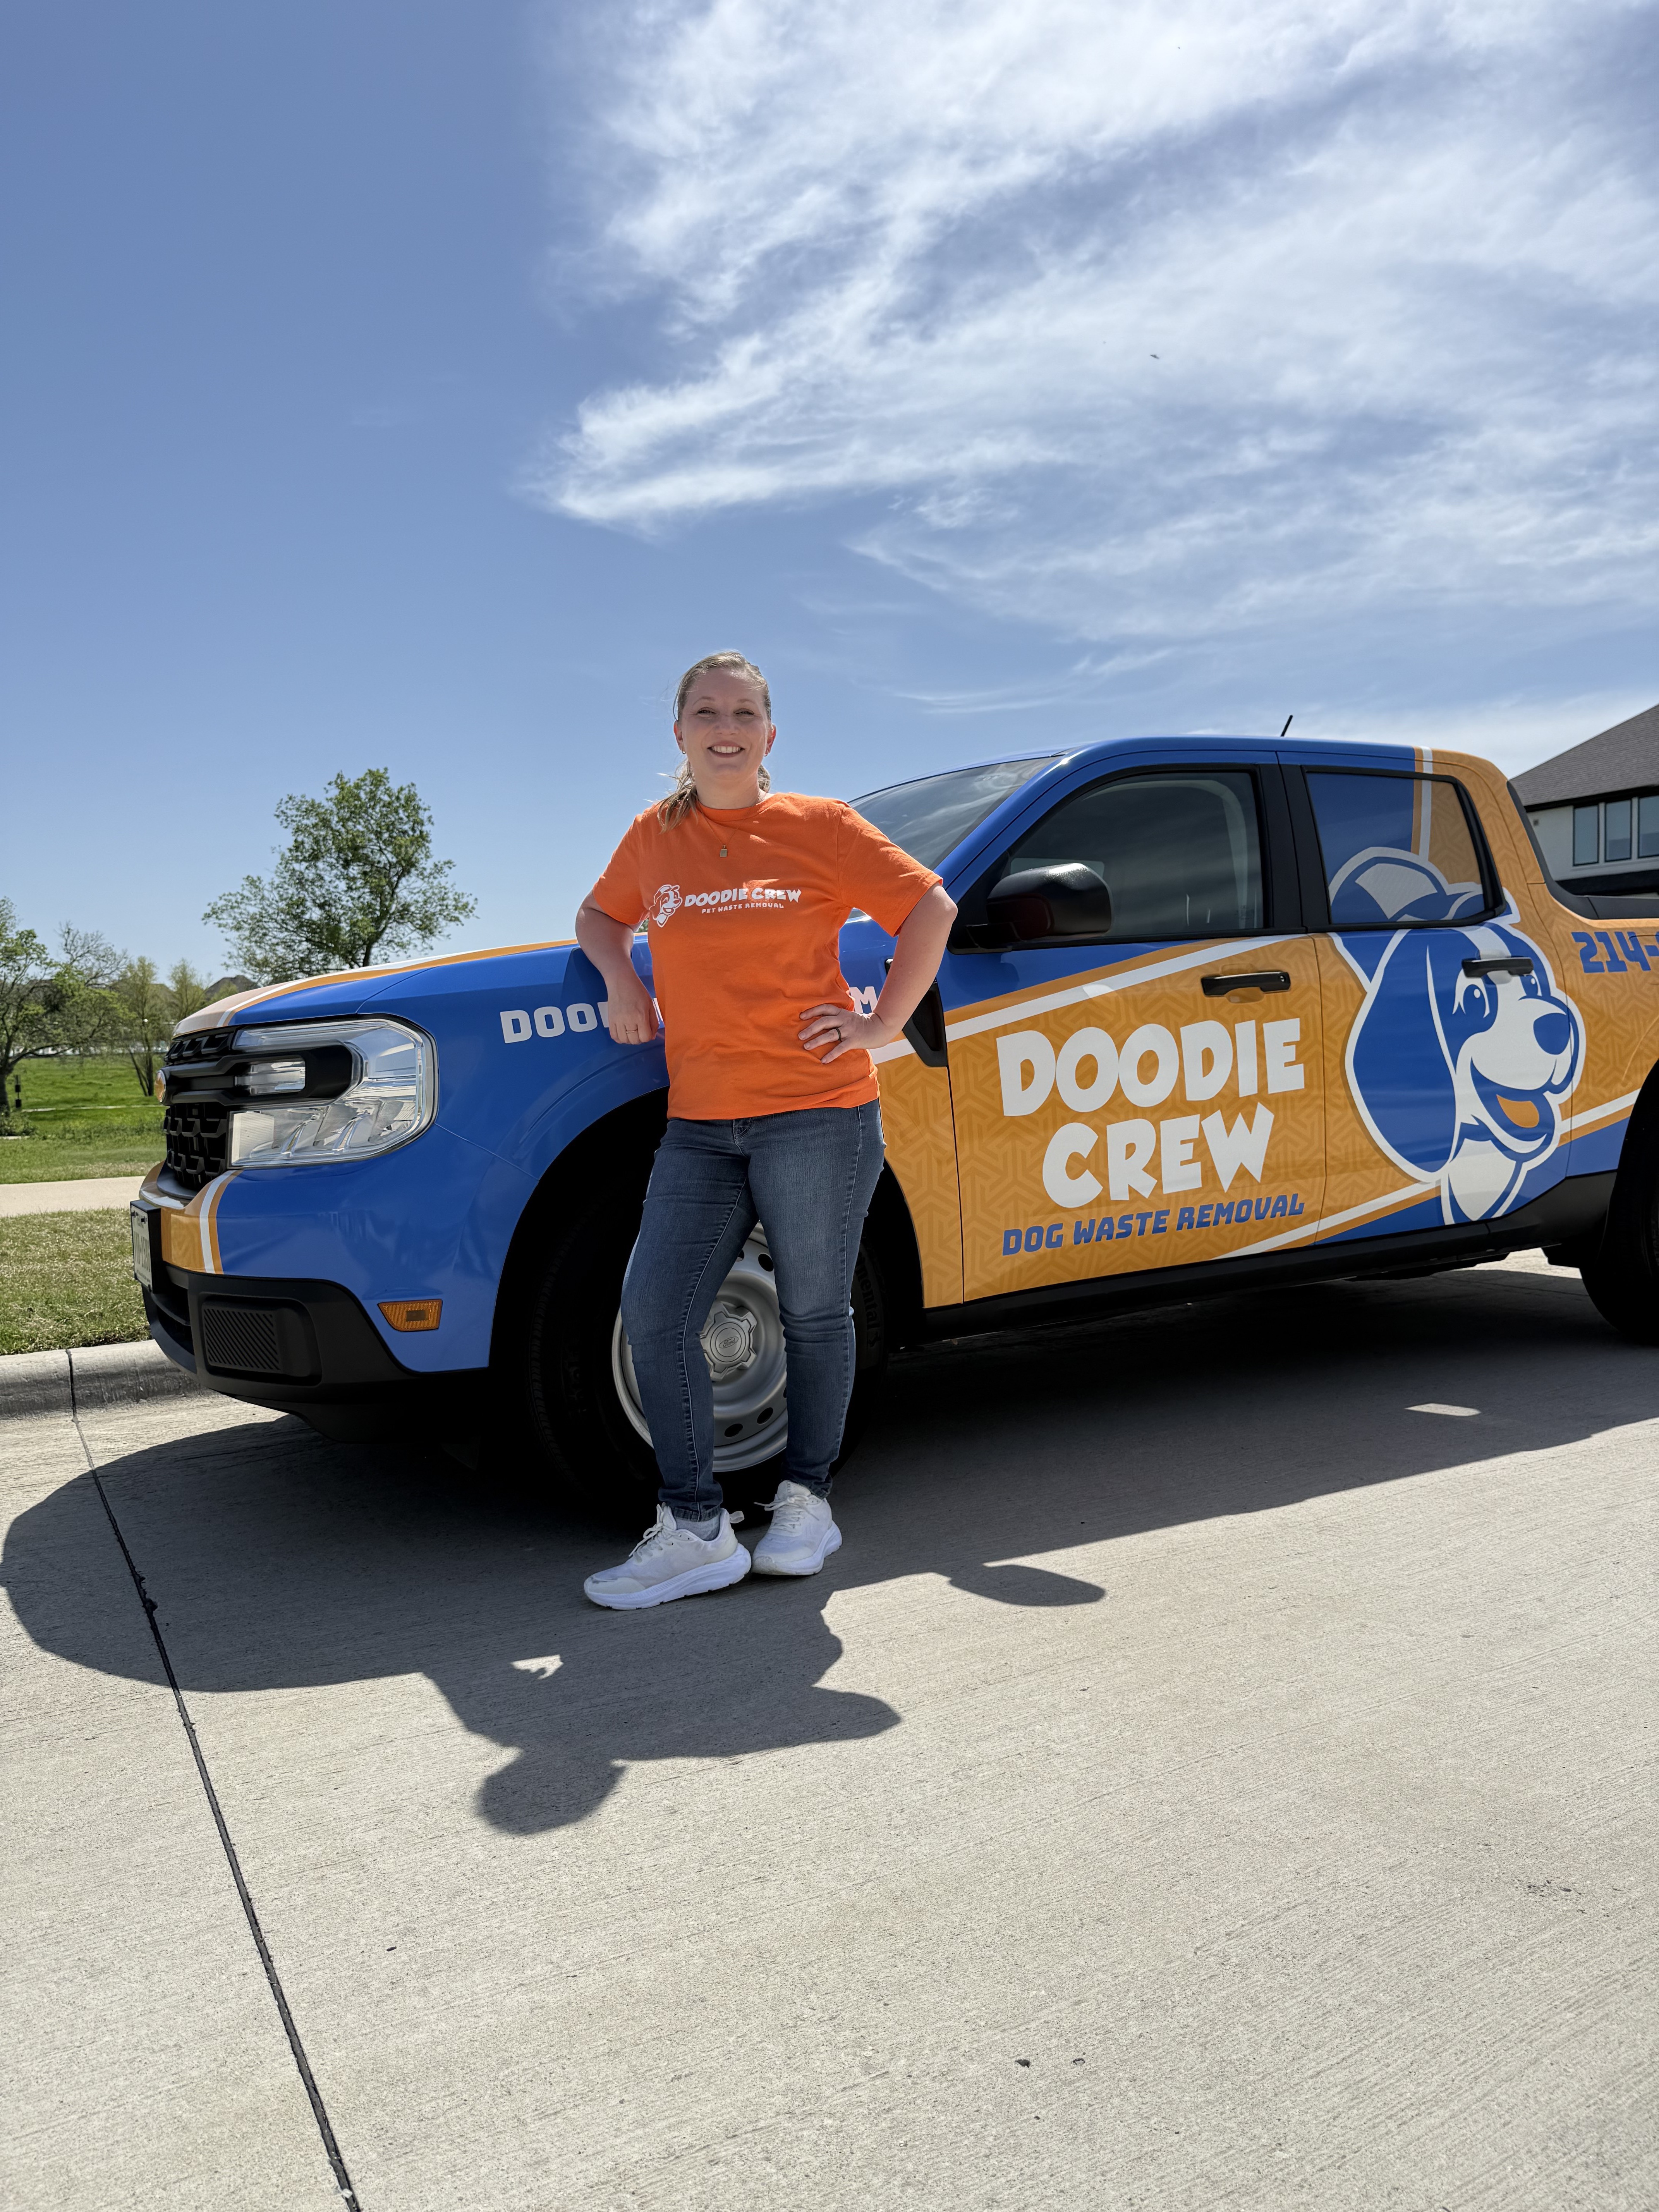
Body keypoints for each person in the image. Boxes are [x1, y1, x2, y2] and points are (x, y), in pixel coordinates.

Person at [574, 651, 957, 1610]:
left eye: (743, 711)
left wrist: (877, 1025)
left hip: (817, 1114)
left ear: (769, 735)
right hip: (701, 1122)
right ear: (680, 733)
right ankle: (696, 1529)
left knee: (818, 1312)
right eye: (706, 711)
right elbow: (596, 915)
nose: (724, 726)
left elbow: (931, 908)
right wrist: (623, 975)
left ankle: (806, 1501)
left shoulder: (819, 827)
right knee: (658, 1316)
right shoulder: (653, 838)